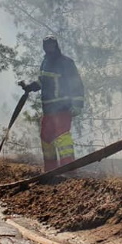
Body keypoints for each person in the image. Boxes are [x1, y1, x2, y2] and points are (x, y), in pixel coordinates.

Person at [21, 36, 84, 171]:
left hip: (62, 108)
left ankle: (68, 169)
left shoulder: (66, 63)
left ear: (56, 46)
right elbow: (42, 81)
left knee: (62, 138)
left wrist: (77, 105)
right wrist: (29, 87)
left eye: (51, 45)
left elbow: (76, 84)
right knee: (46, 139)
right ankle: (50, 171)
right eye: (46, 45)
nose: (49, 48)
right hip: (48, 110)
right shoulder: (45, 62)